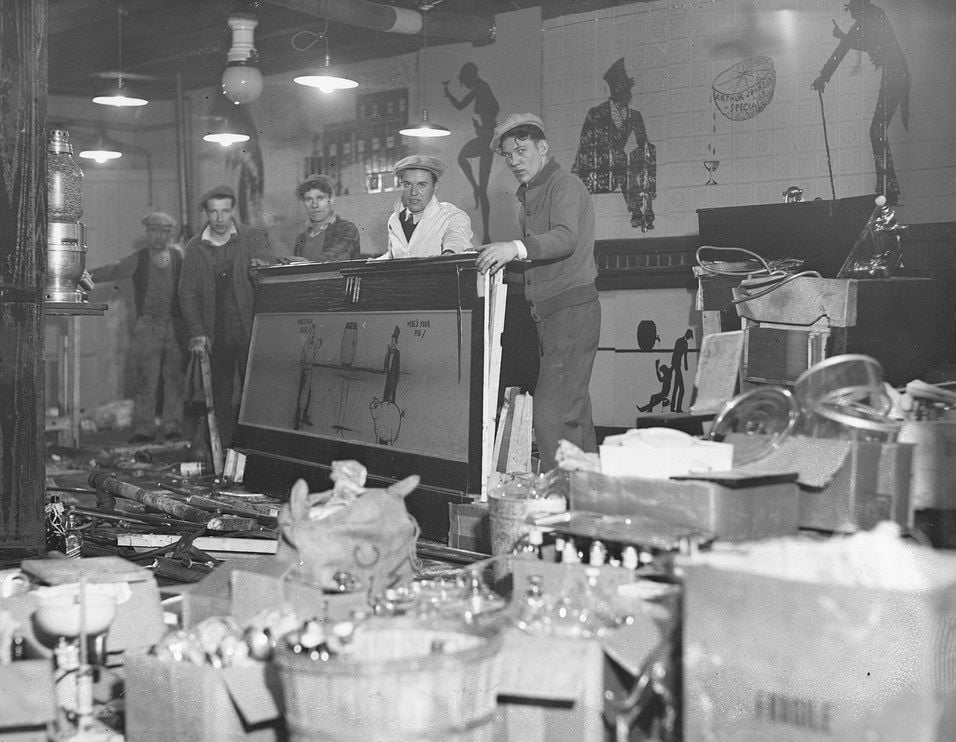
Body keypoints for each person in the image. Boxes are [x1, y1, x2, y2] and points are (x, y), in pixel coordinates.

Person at [478, 113, 600, 471]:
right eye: (508, 155)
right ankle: (588, 498)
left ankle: (556, 501)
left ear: (543, 147)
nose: (514, 161)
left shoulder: (563, 185)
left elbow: (565, 238)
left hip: (571, 314)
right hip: (552, 316)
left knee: (550, 415)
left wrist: (514, 248)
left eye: (521, 150)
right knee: (575, 415)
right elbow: (543, 259)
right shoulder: (534, 193)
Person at [179, 184, 274, 450]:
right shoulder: (195, 247)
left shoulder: (252, 237)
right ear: (206, 214)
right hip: (214, 332)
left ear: (233, 210)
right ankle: (223, 454)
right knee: (219, 397)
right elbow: (187, 293)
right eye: (213, 212)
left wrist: (261, 270)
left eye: (225, 211)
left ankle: (254, 454)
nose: (220, 219)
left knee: (253, 394)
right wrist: (197, 331)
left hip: (248, 328)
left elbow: (270, 274)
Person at [92, 211, 187, 443]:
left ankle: (172, 425)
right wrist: (81, 275)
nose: (159, 237)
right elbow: (114, 270)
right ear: (148, 233)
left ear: (170, 234)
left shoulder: (178, 258)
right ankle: (144, 428)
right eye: (155, 231)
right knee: (146, 379)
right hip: (147, 326)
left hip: (174, 326)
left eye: (164, 232)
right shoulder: (139, 258)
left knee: (174, 378)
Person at [812, 0, 910, 202]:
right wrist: (825, 74)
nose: (851, 16)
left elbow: (853, 46)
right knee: (877, 130)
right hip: (895, 74)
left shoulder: (872, 17)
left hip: (895, 75)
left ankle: (888, 186)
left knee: (876, 130)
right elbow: (854, 44)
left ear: (859, 7)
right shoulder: (871, 17)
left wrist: (825, 74)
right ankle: (887, 186)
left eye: (852, 11)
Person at [572, 58, 656, 232]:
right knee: (620, 157)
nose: (629, 95)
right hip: (597, 174)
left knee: (648, 150)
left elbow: (643, 145)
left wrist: (642, 154)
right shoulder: (596, 113)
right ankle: (636, 210)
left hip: (621, 169)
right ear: (614, 91)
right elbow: (585, 148)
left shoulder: (634, 116)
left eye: (628, 90)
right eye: (624, 90)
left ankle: (648, 204)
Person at [442, 62, 500, 243]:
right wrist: (448, 93)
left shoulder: (482, 88)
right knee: (481, 188)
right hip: (486, 137)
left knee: (479, 185)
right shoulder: (479, 88)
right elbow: (461, 105)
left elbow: (492, 113)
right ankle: (487, 235)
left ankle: (487, 235)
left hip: (487, 139)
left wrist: (481, 129)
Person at [380, 154, 474, 259]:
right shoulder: (395, 219)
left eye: (421, 185)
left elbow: (456, 241)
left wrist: (449, 254)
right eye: (408, 185)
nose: (414, 193)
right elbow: (393, 255)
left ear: (435, 187)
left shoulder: (453, 216)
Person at [292, 173, 361, 262]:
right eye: (308, 199)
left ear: (331, 199)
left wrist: (306, 264)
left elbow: (335, 258)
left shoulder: (347, 229)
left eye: (320, 198)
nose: (314, 205)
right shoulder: (301, 238)